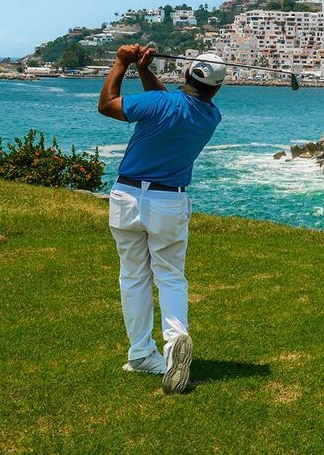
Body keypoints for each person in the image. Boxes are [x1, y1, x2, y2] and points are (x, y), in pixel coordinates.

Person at [97, 44, 225, 395]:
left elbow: (107, 105)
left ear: (186, 74)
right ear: (215, 89)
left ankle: (141, 354)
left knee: (133, 276)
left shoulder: (161, 105)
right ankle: (175, 343)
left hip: (126, 197)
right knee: (170, 276)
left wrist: (121, 63)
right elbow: (170, 103)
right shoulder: (209, 117)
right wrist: (143, 69)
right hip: (169, 200)